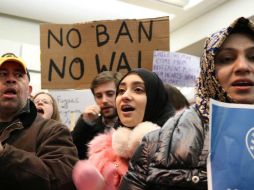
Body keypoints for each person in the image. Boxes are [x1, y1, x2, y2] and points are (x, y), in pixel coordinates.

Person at [119, 17, 254, 190]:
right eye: (227, 58)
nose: (243, 66)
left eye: (253, 57)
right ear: (208, 69)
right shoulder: (155, 146)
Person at [72, 68, 175, 190]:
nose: (104, 100)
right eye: (121, 91)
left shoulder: (177, 143)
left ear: (154, 97)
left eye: (138, 90)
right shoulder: (113, 142)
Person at [0, 53, 78, 190]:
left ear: (29, 90)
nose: (10, 79)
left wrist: (5, 155)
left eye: (18, 75)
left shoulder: (53, 131)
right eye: (2, 74)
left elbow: (63, 182)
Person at [71, 71, 123, 159]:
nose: (104, 100)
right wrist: (85, 122)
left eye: (110, 94)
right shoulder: (88, 126)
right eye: (99, 96)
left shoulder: (130, 125)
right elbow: (72, 152)